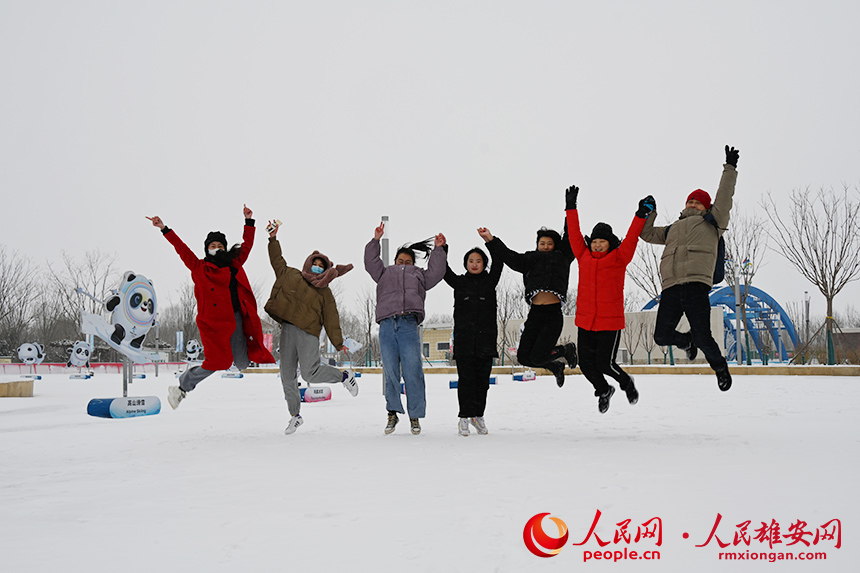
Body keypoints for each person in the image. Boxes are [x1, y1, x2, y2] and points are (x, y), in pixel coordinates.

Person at [147, 205, 275, 409]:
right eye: (213, 245)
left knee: (241, 364)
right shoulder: (199, 268)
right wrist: (164, 228)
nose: (217, 248)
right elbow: (182, 249)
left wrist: (248, 221)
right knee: (219, 362)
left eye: (220, 245)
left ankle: (187, 383)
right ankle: (183, 386)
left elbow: (247, 246)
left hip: (236, 318)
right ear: (207, 248)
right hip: (213, 324)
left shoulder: (233, 264)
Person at [640, 145, 740, 391]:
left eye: (698, 202)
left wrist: (730, 167)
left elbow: (724, 197)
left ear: (705, 207)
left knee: (704, 337)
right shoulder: (673, 228)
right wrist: (648, 213)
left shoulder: (713, 223)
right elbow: (646, 233)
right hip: (671, 287)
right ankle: (685, 342)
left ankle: (720, 368)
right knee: (661, 336)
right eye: (690, 201)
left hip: (696, 285)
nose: (693, 204)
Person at [263, 220, 359, 435]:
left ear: (325, 270)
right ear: (307, 263)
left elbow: (331, 317)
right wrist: (272, 238)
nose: (317, 267)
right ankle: (295, 416)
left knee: (310, 373)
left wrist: (338, 342)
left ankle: (344, 377)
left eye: (321, 265)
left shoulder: (324, 292)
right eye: (314, 263)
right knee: (287, 376)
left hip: (308, 333)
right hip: (288, 331)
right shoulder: (292, 275)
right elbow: (277, 261)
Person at [565, 185, 655, 413]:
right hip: (586, 321)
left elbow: (633, 237)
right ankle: (604, 390)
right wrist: (570, 207)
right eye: (594, 241)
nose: (596, 244)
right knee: (586, 365)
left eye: (601, 241)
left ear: (609, 243)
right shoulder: (583, 256)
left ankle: (626, 384)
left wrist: (640, 215)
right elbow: (574, 235)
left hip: (609, 322)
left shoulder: (619, 258)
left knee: (605, 363)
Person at [364, 221, 447, 435]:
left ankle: (415, 415)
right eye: (400, 260)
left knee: (413, 370)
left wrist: (439, 250)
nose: (403, 264)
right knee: (390, 371)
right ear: (394, 262)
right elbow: (370, 262)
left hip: (408, 324)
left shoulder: (419, 275)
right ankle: (392, 412)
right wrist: (375, 240)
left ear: (413, 264)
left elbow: (437, 273)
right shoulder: (384, 273)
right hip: (387, 324)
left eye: (408, 261)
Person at [489, 221, 578, 388]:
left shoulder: (562, 257)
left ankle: (566, 350)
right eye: (542, 243)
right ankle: (556, 365)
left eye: (549, 244)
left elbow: (571, 236)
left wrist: (570, 210)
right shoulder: (530, 259)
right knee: (523, 357)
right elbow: (509, 256)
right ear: (537, 244)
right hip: (535, 314)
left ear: (555, 245)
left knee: (538, 356)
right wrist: (491, 240)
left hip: (553, 315)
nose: (545, 246)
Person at [443, 228, 503, 436]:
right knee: (466, 381)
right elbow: (444, 270)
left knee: (482, 383)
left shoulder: (490, 281)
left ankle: (478, 416)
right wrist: (443, 249)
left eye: (478, 260)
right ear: (466, 264)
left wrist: (490, 241)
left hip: (486, 342)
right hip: (465, 342)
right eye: (471, 261)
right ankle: (463, 418)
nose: (475, 264)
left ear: (484, 264)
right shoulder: (459, 283)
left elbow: (500, 261)